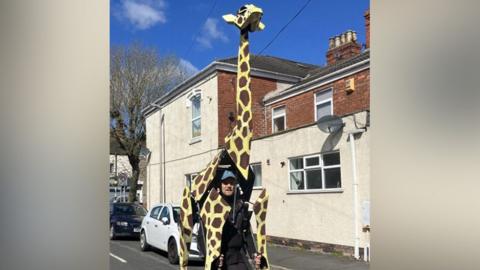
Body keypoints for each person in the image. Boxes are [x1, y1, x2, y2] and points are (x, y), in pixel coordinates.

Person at [215, 170, 262, 270]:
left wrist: (254, 254)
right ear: (220, 185)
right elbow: (204, 236)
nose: (228, 186)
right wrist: (213, 257)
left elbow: (247, 233)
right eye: (225, 183)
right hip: (221, 258)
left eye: (231, 183)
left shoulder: (241, 206)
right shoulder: (214, 206)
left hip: (239, 256)